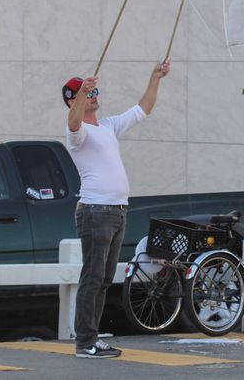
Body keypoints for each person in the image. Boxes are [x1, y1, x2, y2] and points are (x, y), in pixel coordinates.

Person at [63, 59, 171, 358]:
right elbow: (73, 122)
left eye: (95, 91)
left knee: (104, 278)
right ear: (74, 100)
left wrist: (155, 77)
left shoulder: (108, 126)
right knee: (93, 277)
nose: (94, 95)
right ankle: (85, 342)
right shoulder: (77, 132)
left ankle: (92, 339)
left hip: (116, 211)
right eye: (86, 93)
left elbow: (142, 109)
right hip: (95, 212)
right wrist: (81, 94)